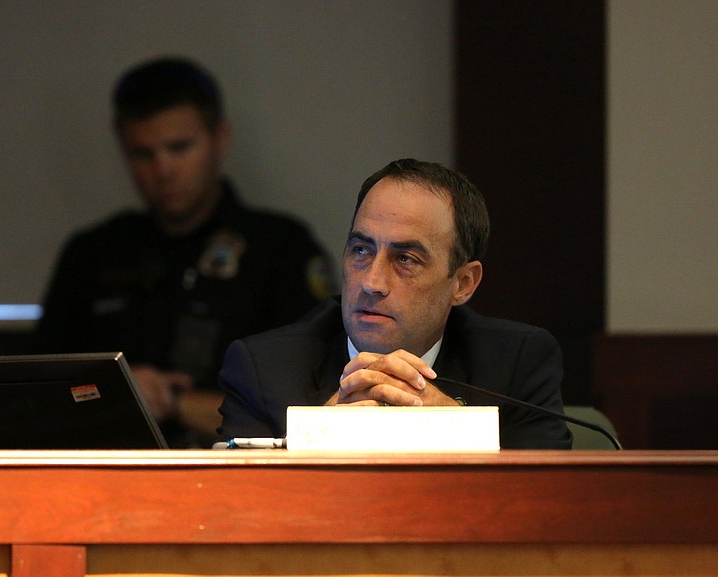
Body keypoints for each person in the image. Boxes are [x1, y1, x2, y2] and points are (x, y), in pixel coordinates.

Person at [35, 56, 335, 447]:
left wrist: (172, 402)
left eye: (179, 147)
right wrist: (114, 390)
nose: (163, 170)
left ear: (220, 139)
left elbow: (314, 413)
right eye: (143, 153)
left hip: (239, 478)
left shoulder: (281, 250)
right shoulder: (92, 254)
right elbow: (34, 397)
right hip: (104, 475)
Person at [217, 158, 572, 449]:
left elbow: (550, 508)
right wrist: (318, 437)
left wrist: (455, 429)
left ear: (463, 284)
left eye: (405, 259)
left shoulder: (517, 363)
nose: (372, 283)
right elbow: (233, 511)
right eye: (361, 250)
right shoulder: (265, 369)